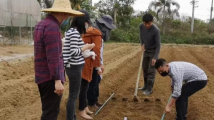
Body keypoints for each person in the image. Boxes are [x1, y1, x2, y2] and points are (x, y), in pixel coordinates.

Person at [34, 0, 83, 119]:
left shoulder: (41, 24)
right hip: (50, 78)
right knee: (50, 114)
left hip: (41, 76)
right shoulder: (53, 27)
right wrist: (57, 80)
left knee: (47, 111)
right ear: (64, 14)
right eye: (68, 15)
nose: (67, 18)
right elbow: (53, 55)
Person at [63, 10, 95, 120]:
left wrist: (87, 52)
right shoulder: (74, 33)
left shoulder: (73, 32)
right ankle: (70, 118)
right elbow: (74, 52)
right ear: (82, 21)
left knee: (74, 94)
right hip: (74, 68)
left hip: (75, 66)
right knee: (73, 96)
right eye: (86, 22)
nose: (87, 24)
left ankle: (72, 117)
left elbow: (76, 51)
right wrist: (87, 47)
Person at [85, 15, 117, 109]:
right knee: (92, 83)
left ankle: (95, 100)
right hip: (91, 62)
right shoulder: (96, 33)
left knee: (96, 81)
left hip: (93, 60)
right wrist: (99, 66)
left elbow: (99, 51)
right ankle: (91, 102)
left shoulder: (95, 32)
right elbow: (96, 51)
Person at [138, 13, 161, 95]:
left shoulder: (156, 30)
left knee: (151, 70)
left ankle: (149, 89)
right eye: (145, 23)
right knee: (145, 68)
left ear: (152, 22)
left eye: (149, 23)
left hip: (153, 51)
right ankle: (145, 86)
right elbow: (141, 35)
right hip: (146, 50)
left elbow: (158, 45)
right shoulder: (141, 26)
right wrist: (142, 44)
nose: (147, 25)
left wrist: (155, 57)